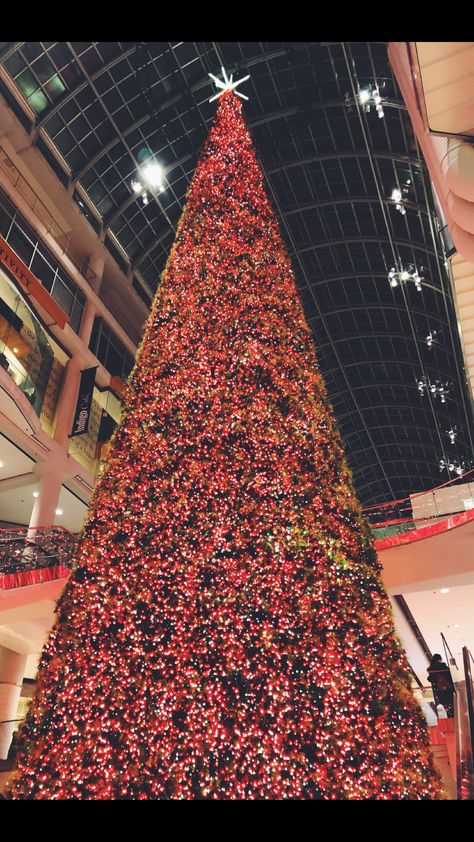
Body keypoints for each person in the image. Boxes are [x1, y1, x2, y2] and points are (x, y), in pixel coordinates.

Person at [427, 653, 455, 718]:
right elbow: (450, 675)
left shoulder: (431, 669)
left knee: (447, 708)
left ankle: (451, 719)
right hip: (448, 689)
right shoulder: (443, 666)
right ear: (440, 659)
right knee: (453, 707)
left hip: (440, 691)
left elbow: (430, 679)